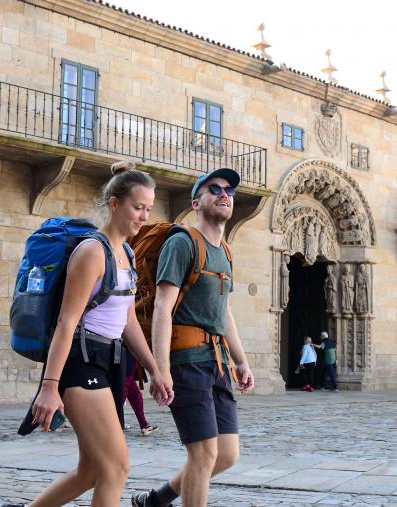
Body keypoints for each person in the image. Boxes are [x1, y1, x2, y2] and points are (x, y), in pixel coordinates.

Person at [7, 163, 174, 507]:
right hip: (81, 363)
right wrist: (50, 388)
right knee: (116, 468)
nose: (143, 216)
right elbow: (67, 323)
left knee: (91, 470)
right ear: (115, 204)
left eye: (147, 208)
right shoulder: (91, 252)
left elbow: (126, 321)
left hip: (110, 362)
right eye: (137, 207)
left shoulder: (125, 254)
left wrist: (155, 368)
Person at [131, 168, 255, 507]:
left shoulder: (225, 252)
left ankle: (158, 499)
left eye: (229, 190)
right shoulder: (182, 242)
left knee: (226, 454)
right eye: (214, 189)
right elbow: (162, 307)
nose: (224, 194)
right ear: (196, 202)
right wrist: (161, 368)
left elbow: (222, 311)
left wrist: (241, 361)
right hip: (187, 361)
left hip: (217, 363)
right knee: (203, 454)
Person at [123, 347, 158, 436]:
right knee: (123, 396)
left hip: (129, 357)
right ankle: (114, 423)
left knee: (135, 396)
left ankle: (144, 425)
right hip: (124, 357)